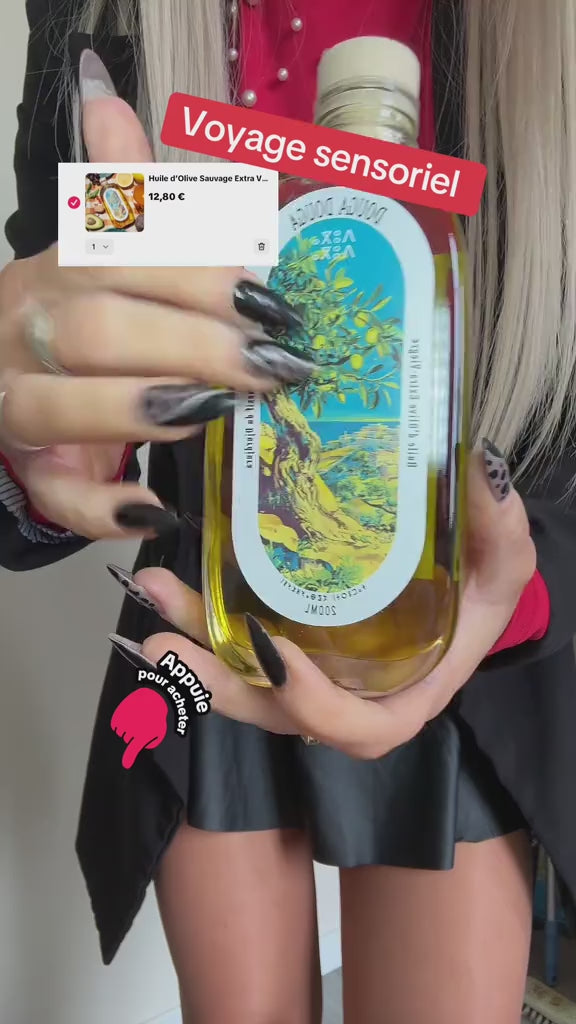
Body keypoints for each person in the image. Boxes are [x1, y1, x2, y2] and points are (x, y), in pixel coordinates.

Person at [1, 1, 576, 1021]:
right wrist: (39, 419)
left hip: (441, 618)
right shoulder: (108, 13)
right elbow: (70, 294)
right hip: (216, 617)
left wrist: (513, 588)